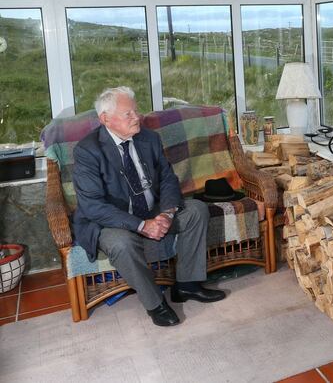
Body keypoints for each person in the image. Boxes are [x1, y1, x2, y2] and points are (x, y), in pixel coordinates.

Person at [71, 86, 225, 327]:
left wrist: (167, 213)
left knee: (196, 210)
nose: (137, 117)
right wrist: (142, 226)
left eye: (136, 111)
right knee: (121, 243)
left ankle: (187, 285)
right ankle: (156, 304)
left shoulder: (149, 138)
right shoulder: (87, 151)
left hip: (153, 211)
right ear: (106, 119)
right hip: (112, 221)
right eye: (128, 114)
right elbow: (93, 207)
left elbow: (167, 179)